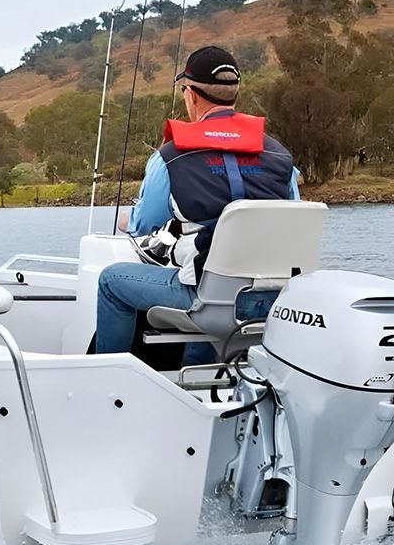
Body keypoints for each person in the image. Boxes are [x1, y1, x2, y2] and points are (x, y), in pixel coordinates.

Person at [96, 46, 299, 363]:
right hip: (272, 302)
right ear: (234, 94)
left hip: (207, 302)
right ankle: (200, 394)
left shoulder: (170, 156)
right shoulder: (280, 155)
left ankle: (108, 381)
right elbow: (292, 216)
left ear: (190, 95)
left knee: (111, 281)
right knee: (207, 280)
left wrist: (128, 221)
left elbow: (144, 226)